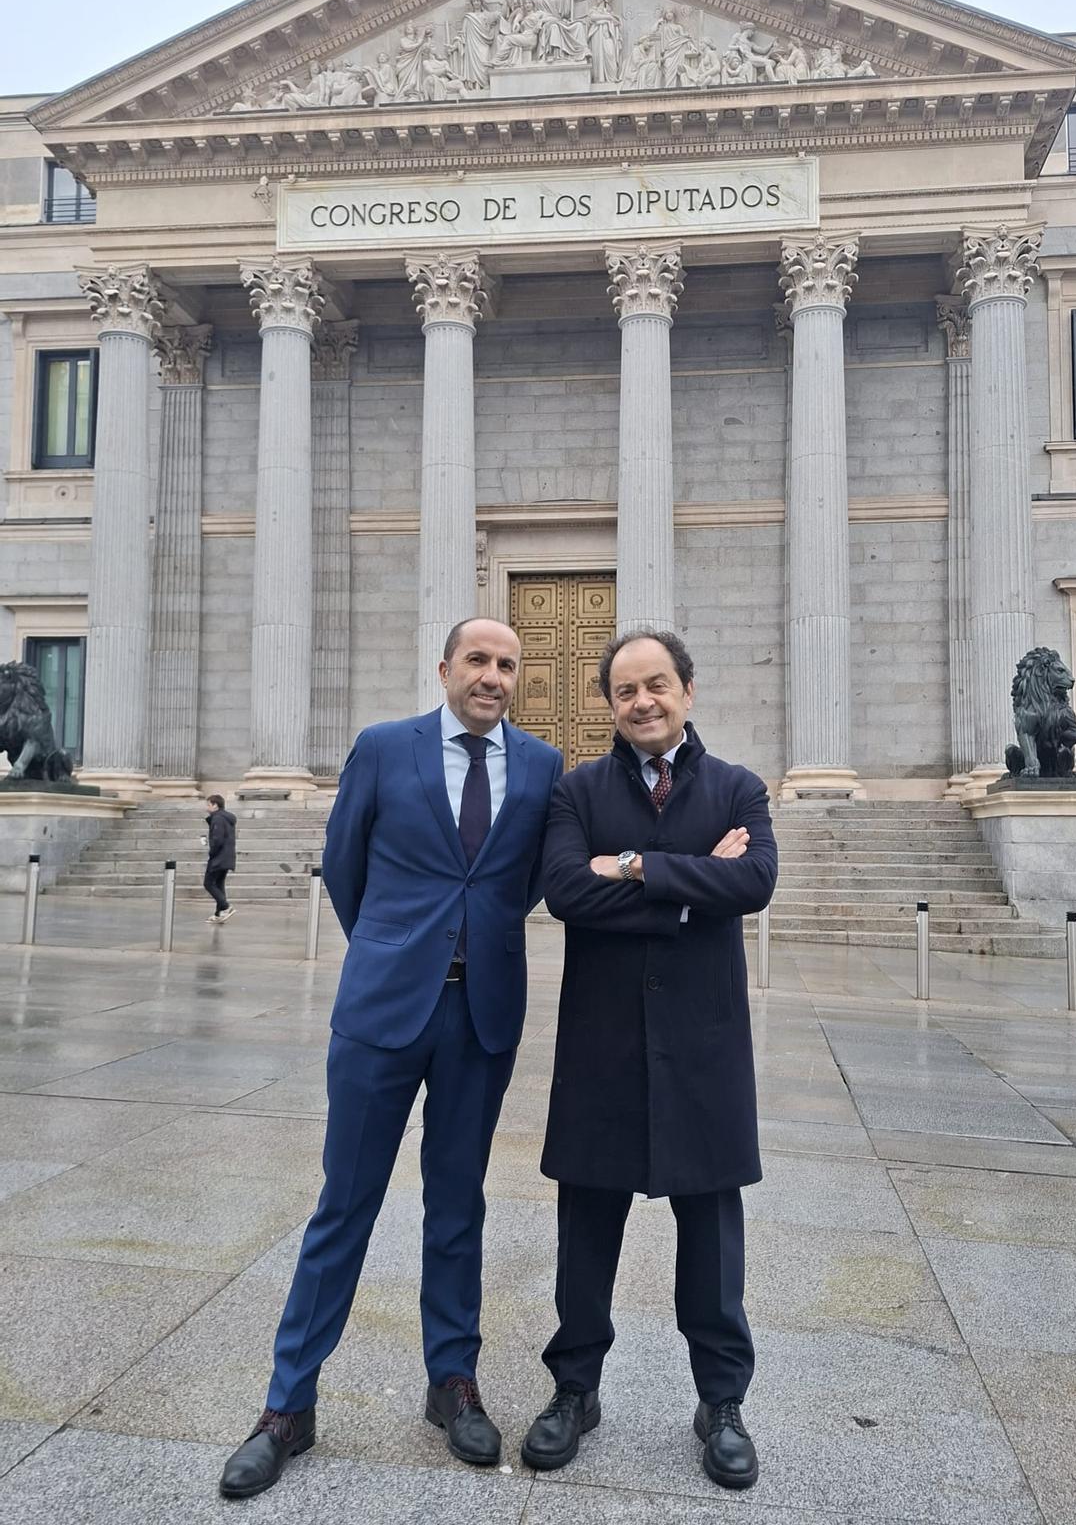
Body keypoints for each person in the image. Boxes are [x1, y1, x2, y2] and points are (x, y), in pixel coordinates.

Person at [219, 618, 562, 1499]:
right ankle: (288, 1405)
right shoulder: (382, 748)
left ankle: (452, 1382)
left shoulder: (541, 766)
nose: (492, 676)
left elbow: (520, 884)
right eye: (478, 661)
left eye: (507, 665)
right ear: (445, 668)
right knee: (345, 1204)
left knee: (459, 1203)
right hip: (382, 1014)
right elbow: (345, 867)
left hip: (481, 1016)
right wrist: (392, 946)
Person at [521, 629, 777, 1492]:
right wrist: (687, 884)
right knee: (585, 1228)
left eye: (657, 685)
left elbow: (755, 884)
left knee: (711, 1233)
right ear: (611, 705)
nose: (643, 702)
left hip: (703, 1047)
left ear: (688, 690)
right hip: (603, 1043)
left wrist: (631, 868)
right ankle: (574, 1389)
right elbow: (566, 893)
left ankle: (722, 1401)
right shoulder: (576, 791)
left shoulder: (738, 788)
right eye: (626, 690)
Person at [204, 793, 236, 923]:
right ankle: (219, 914)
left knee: (208, 883)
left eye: (209, 804)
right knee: (219, 884)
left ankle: (226, 906)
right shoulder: (227, 818)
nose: (207, 807)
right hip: (227, 857)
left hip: (219, 857)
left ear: (215, 805)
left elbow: (217, 839)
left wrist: (212, 852)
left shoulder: (217, 818)